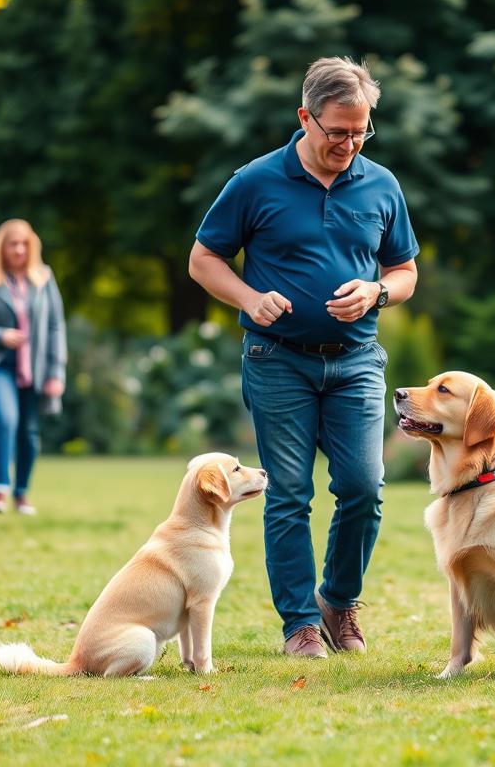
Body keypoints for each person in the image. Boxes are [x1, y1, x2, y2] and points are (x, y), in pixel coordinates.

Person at [188, 57, 419, 658]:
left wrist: (379, 290)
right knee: (288, 492)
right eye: (337, 130)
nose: (349, 143)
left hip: (357, 359)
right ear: (305, 118)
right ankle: (300, 625)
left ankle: (338, 603)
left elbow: (405, 269)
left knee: (364, 487)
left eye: (361, 130)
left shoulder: (381, 184)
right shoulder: (254, 181)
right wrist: (247, 296)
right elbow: (203, 259)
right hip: (278, 359)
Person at [0, 219, 66, 515]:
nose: (18, 249)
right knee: (6, 419)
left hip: (36, 366)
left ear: (32, 247)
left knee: (30, 433)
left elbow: (56, 325)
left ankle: (22, 493)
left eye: (24, 244)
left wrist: (57, 371)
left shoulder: (44, 278)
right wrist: (0, 335)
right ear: (1, 247)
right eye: (12, 244)